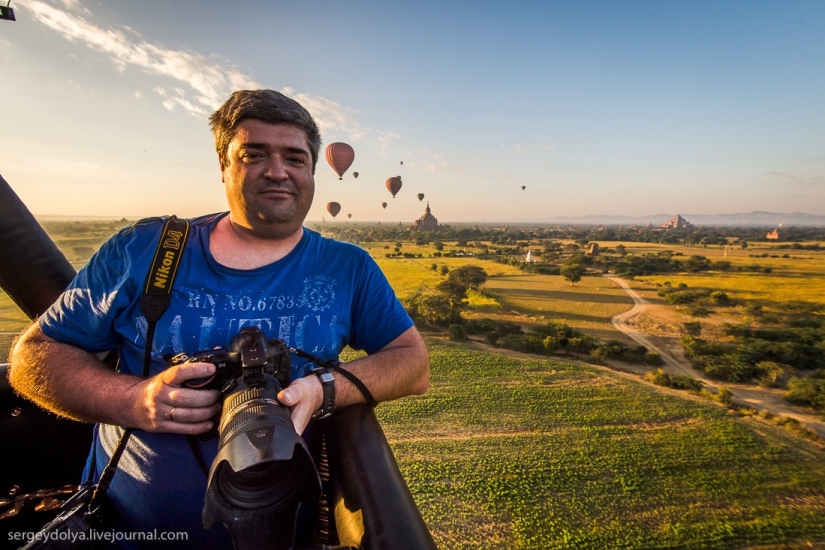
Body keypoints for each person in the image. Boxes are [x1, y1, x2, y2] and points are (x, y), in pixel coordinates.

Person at [8, 89, 430, 548]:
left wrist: (323, 388)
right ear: (223, 166)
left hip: (286, 529)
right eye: (253, 154)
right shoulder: (147, 251)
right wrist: (135, 400)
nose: (277, 171)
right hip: (126, 529)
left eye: (295, 157)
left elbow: (412, 363)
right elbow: (34, 356)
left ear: (312, 170)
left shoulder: (348, 267)